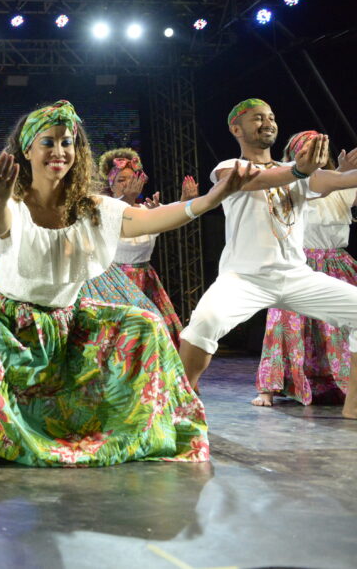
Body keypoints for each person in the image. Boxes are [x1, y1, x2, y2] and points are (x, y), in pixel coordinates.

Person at [0, 100, 256, 466]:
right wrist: (0, 198)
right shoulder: (10, 199)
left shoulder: (90, 206)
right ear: (27, 149)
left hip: (69, 325)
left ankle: (135, 428)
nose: (59, 151)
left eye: (67, 142)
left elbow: (147, 220)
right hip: (9, 323)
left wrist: (209, 199)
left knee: (146, 325)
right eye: (48, 142)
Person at [178, 99, 357, 420]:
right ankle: (180, 399)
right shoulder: (228, 167)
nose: (267, 122)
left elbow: (342, 181)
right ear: (236, 128)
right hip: (243, 278)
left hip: (295, 276)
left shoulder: (302, 176)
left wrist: (317, 173)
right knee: (203, 323)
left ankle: (353, 404)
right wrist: (300, 170)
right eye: (257, 118)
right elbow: (254, 180)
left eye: (271, 117)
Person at [254, 131, 357, 406]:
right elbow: (311, 192)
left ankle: (344, 384)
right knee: (287, 325)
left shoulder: (338, 185)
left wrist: (345, 176)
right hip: (301, 263)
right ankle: (270, 387)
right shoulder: (288, 183)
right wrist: (340, 178)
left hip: (337, 262)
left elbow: (336, 188)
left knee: (342, 325)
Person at [81, 148, 199, 346]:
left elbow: (173, 217)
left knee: (159, 329)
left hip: (145, 278)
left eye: (131, 179)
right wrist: (127, 199)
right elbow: (117, 218)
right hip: (114, 281)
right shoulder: (102, 207)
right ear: (111, 184)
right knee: (125, 332)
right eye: (121, 180)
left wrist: (187, 202)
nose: (127, 184)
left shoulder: (147, 210)